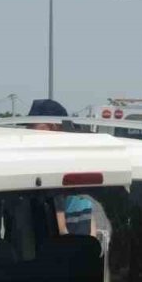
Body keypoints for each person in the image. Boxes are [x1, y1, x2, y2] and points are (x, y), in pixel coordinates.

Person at [24, 99, 97, 237]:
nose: (28, 130)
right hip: (83, 248)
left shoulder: (53, 167)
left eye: (32, 125)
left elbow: (60, 228)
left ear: (53, 127)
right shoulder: (78, 159)